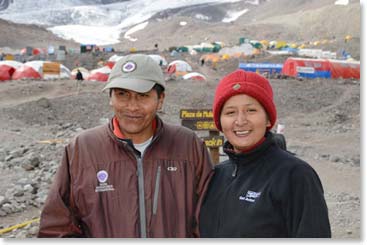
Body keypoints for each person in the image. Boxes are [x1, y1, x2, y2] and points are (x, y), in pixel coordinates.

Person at [38, 54, 214, 238]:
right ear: (110, 98)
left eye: (143, 96)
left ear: (160, 100)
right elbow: (57, 228)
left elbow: (210, 220)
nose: (132, 106)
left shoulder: (188, 145)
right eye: (122, 94)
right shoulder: (82, 149)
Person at [199, 70, 331, 238]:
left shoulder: (295, 175)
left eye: (251, 110)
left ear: (268, 119)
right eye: (230, 112)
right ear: (220, 122)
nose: (240, 121)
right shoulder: (216, 175)